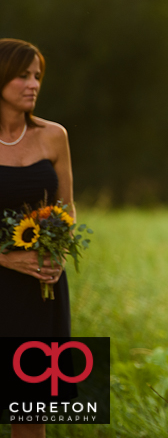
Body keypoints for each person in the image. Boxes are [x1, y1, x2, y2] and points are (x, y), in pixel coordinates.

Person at [0, 38, 74, 438]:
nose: (33, 84)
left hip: (39, 289)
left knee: (29, 410)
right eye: (22, 75)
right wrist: (6, 258)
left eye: (37, 76)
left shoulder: (53, 136)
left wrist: (57, 251)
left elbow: (68, 206)